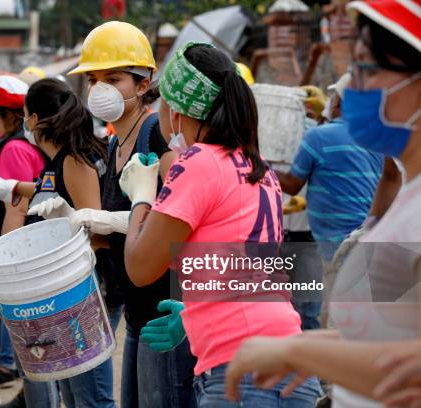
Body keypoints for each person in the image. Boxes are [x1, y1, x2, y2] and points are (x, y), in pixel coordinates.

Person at [224, 2, 420, 407]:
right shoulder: (407, 194)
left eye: (365, 68)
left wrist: (299, 351)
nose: (352, 87)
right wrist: (312, 350)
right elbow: (393, 344)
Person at [116, 42, 322, 407]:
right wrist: (197, 312)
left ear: (176, 111)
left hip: (243, 376)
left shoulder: (198, 162)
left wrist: (141, 198)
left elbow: (140, 267)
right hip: (287, 365)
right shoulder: (256, 166)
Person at [68, 21, 196, 408]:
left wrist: (120, 219)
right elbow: (122, 231)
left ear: (143, 84)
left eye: (114, 78)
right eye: (93, 79)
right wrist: (82, 223)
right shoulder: (113, 143)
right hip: (138, 306)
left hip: (166, 308)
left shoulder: (156, 133)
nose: (100, 89)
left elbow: (186, 211)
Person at [0, 78, 112, 408]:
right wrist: (14, 187)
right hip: (75, 290)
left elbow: (96, 230)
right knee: (75, 394)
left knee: (91, 398)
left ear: (32, 120)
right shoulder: (60, 160)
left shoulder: (76, 160)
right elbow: (49, 188)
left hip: (87, 291)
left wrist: (45, 280)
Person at [0, 75, 58, 408]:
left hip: (17, 255)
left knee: (29, 338)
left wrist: (5, 268)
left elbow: (16, 210)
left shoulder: (15, 148)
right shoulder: (8, 143)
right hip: (15, 253)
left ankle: (16, 377)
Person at [275, 72, 384, 327]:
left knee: (335, 323)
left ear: (337, 103)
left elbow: (292, 184)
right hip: (367, 236)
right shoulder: (375, 137)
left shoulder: (319, 137)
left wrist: (257, 166)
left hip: (337, 245)